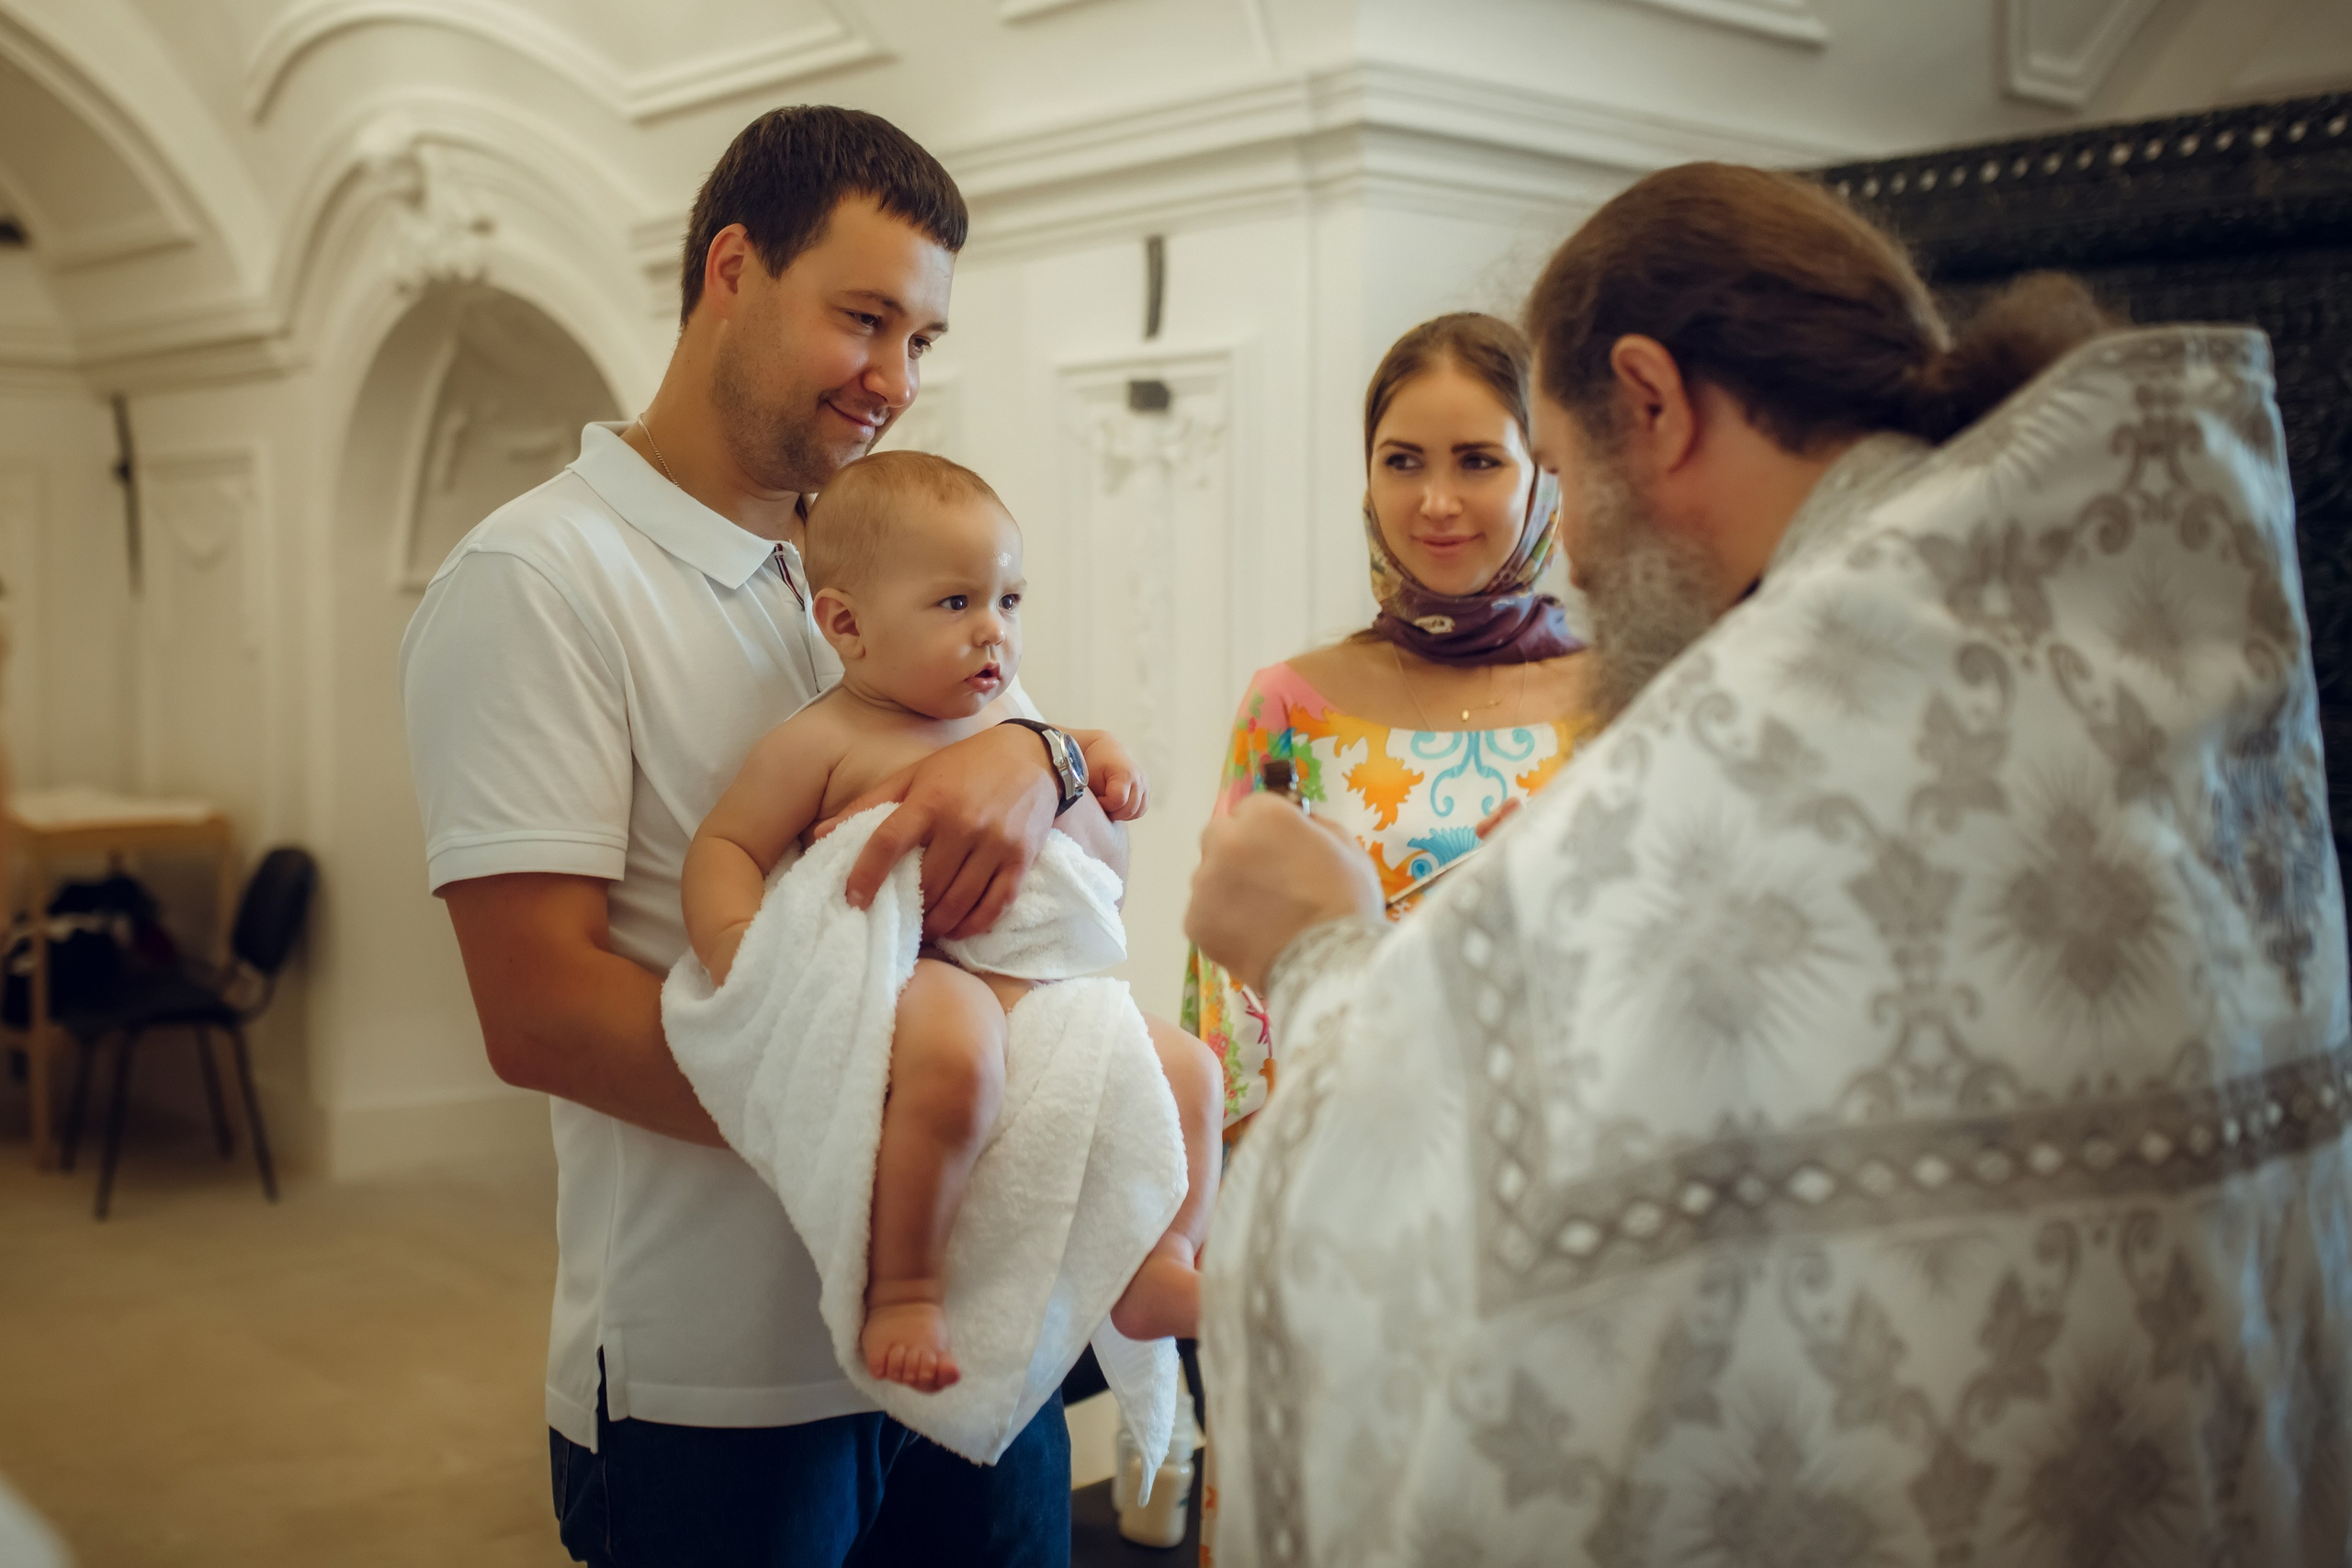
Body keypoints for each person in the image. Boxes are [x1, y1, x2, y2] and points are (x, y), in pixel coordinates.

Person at [1185, 162, 2352, 1564]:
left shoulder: (1780, 721)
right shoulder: (2084, 616)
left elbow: (1514, 1159)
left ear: (1655, 404)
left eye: (1551, 466)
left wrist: (1320, 950)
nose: (1582, 562)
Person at [402, 107, 1092, 1567]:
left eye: (924, 340)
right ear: (732, 266)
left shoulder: (888, 542)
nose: (896, 380)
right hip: (721, 1379)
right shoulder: (538, 577)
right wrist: (899, 1108)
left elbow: (1032, 811)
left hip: (974, 1323)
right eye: (864, 319)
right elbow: (539, 1010)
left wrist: (1041, 754)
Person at [682, 450, 1221, 1392]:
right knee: (958, 1054)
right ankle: (904, 1287)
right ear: (845, 625)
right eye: (955, 605)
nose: (993, 635)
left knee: (1189, 1069)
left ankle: (1161, 1260)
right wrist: (742, 953)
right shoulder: (824, 738)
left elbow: (1083, 763)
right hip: (916, 969)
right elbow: (723, 847)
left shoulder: (999, 718)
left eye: (1008, 603)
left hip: (1038, 983)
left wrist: (1103, 759)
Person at [1182, 313, 1590, 1137]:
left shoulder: (1623, 699)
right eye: (1402, 462)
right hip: (1335, 1150)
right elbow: (1230, 995)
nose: (1436, 503)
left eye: (1479, 462)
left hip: (1558, 1148)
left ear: (1544, 476)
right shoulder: (1291, 704)